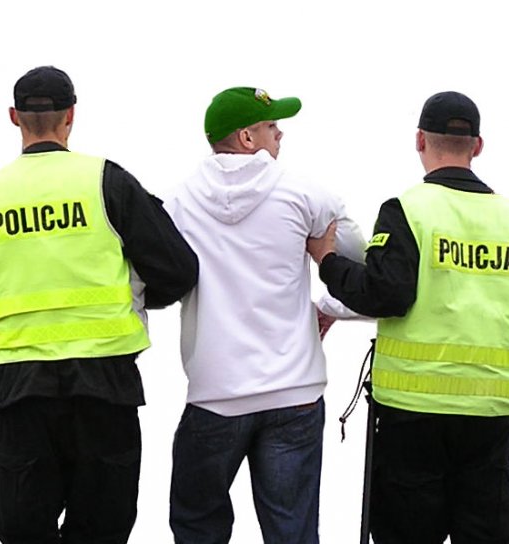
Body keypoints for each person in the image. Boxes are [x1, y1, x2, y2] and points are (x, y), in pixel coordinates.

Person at [307, 91, 509, 544]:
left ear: (419, 140)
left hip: (414, 410)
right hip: (490, 412)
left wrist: (328, 262)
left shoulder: (407, 211)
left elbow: (386, 294)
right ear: (478, 146)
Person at [0, 65, 198, 544]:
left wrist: (11, 342)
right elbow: (178, 269)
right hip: (104, 383)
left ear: (14, 117)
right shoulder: (107, 181)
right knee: (103, 524)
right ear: (71, 116)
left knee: (23, 525)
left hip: (22, 385)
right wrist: (133, 301)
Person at [163, 86, 367, 544]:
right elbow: (368, 272)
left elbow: (146, 278)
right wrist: (332, 307)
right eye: (272, 126)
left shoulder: (174, 204)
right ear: (246, 138)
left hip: (215, 396)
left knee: (197, 528)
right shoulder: (307, 196)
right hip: (294, 395)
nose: (280, 135)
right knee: (292, 533)